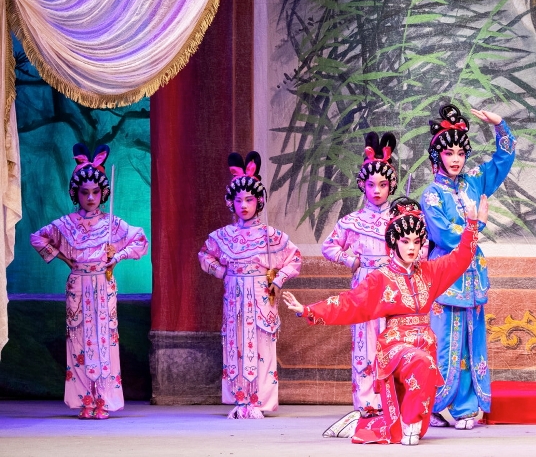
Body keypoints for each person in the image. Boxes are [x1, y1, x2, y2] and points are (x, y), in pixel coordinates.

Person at [284, 197, 480, 445]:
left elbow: (461, 258)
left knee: (415, 395)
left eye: (417, 241)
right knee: (422, 363)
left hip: (425, 344)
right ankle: (410, 423)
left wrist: (472, 223)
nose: (412, 247)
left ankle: (374, 424)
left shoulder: (430, 272)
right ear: (393, 242)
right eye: (405, 241)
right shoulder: (381, 278)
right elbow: (349, 303)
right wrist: (308, 310)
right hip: (395, 347)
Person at [30, 143, 149, 419]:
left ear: (103, 193)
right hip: (78, 285)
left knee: (104, 338)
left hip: (103, 284)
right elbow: (38, 237)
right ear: (77, 194)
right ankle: (85, 399)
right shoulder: (66, 223)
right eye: (85, 192)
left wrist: (117, 256)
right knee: (79, 340)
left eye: (96, 192)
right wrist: (63, 258)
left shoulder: (112, 223)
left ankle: (103, 399)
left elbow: (140, 239)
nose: (91, 197)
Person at [421, 104, 515, 429]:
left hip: (472, 279)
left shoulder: (473, 182)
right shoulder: (432, 196)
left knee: (470, 346)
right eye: (449, 153)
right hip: (446, 279)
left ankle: (465, 407)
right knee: (444, 344)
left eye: (461, 153)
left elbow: (503, 160)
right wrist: (478, 224)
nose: (456, 159)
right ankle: (435, 406)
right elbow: (446, 236)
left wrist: (500, 126)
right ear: (437, 156)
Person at [198, 152, 302, 419]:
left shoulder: (271, 236)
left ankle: (260, 401)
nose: (243, 205)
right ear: (230, 203)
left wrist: (277, 279)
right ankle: (240, 398)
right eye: (238, 200)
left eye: (249, 199)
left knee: (262, 345)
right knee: (236, 345)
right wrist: (222, 272)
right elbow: (204, 255)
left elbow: (295, 258)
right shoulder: (223, 236)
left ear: (259, 201)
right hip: (234, 297)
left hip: (260, 295)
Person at [322, 132, 400, 417]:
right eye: (371, 184)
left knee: (393, 341)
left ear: (391, 186)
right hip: (364, 286)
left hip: (393, 286)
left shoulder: (399, 220)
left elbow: (421, 248)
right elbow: (328, 246)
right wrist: (351, 260)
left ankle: (393, 400)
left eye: (382, 184)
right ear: (362, 186)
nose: (376, 190)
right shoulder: (351, 221)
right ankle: (366, 402)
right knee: (364, 344)